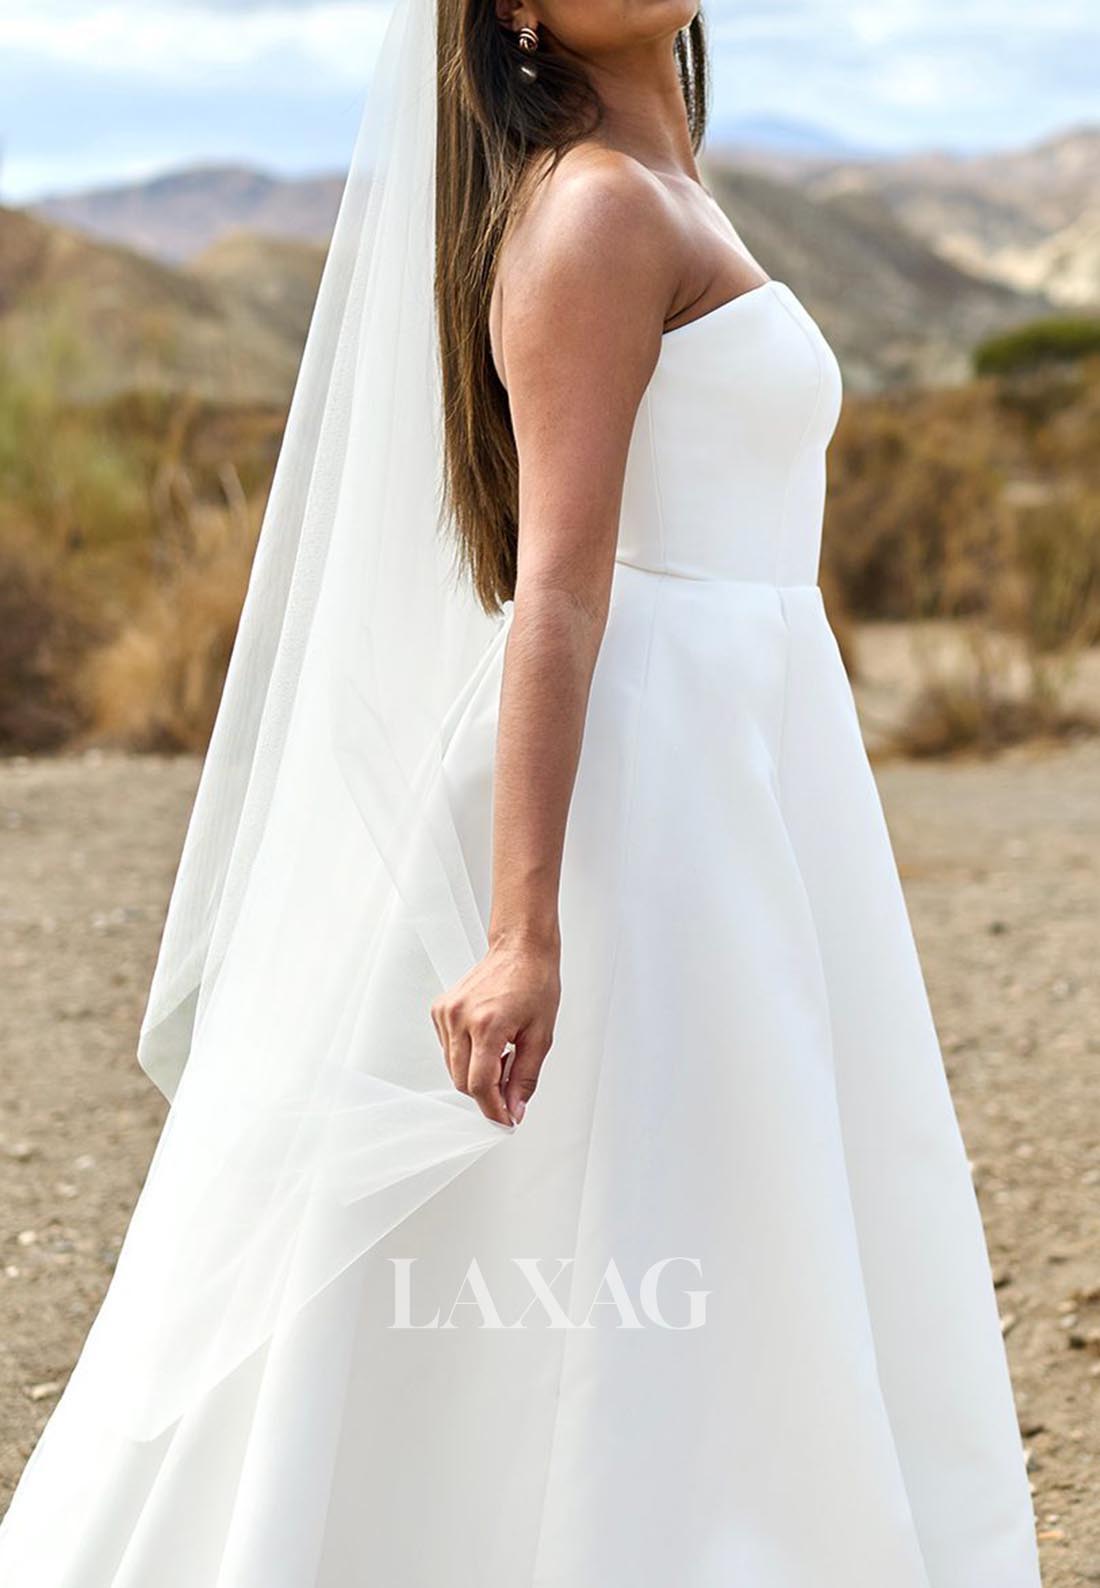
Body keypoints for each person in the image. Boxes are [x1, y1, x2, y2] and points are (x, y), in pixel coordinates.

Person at [0, 4, 1043, 1584]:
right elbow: (554, 591)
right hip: (646, 784)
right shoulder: (597, 212)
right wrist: (521, 928)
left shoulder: (665, 188)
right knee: (610, 1218)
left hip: (737, 767)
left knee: (724, 1200)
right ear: (513, 14)